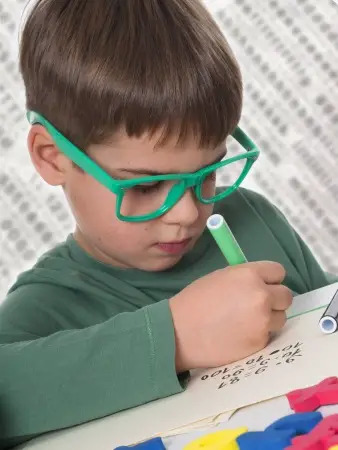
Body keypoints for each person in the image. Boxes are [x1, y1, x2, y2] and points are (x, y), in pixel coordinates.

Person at [0, 0, 335, 448]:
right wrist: (175, 337)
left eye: (206, 175)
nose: (188, 213)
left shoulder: (252, 220)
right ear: (52, 156)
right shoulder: (48, 307)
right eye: (146, 188)